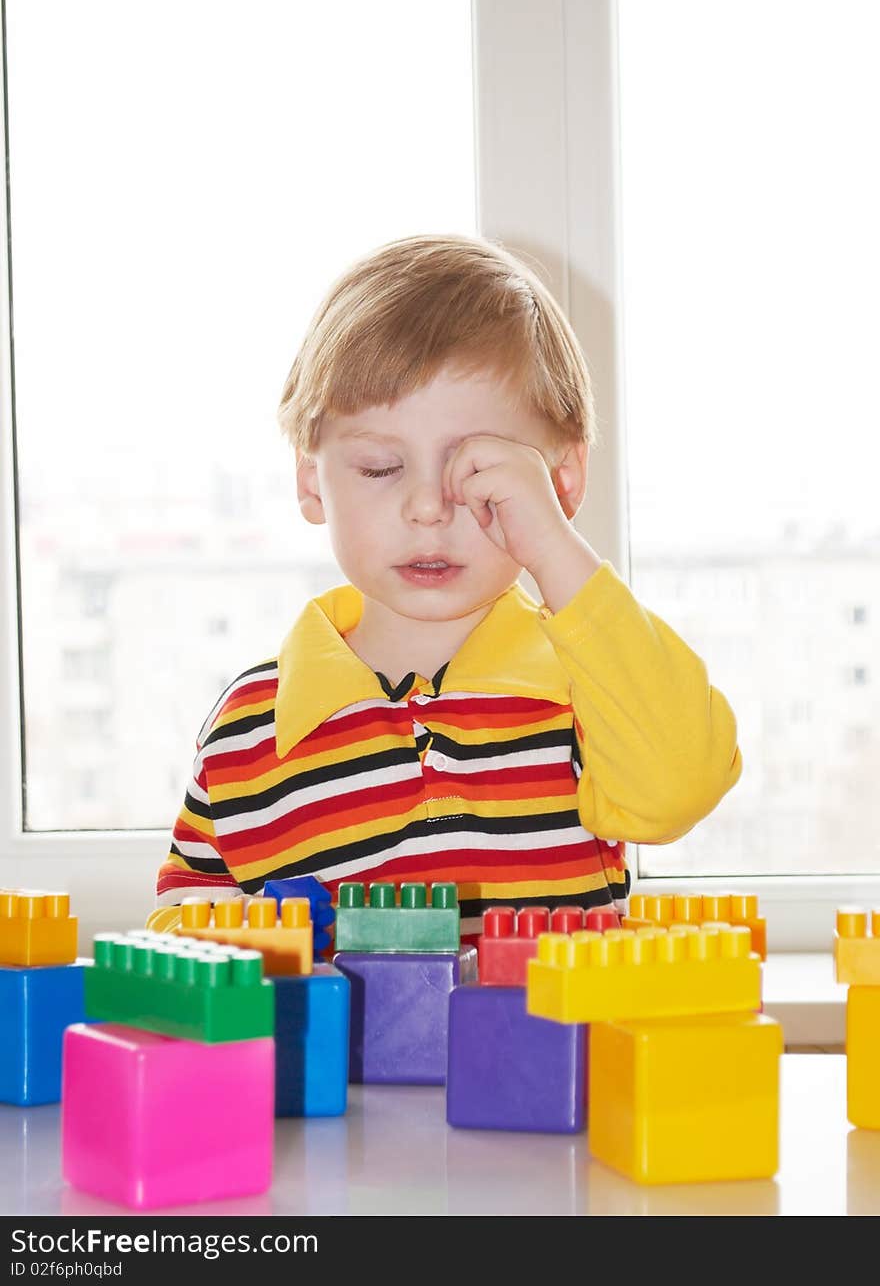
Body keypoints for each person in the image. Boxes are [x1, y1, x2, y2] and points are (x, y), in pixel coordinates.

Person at [155, 233, 742, 939]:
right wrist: (227, 925)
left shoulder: (588, 686)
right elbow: (178, 918)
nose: (428, 506)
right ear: (312, 480)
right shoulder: (250, 726)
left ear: (561, 481)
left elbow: (681, 784)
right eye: (379, 467)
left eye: (475, 469)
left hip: (550, 1054)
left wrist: (553, 546)